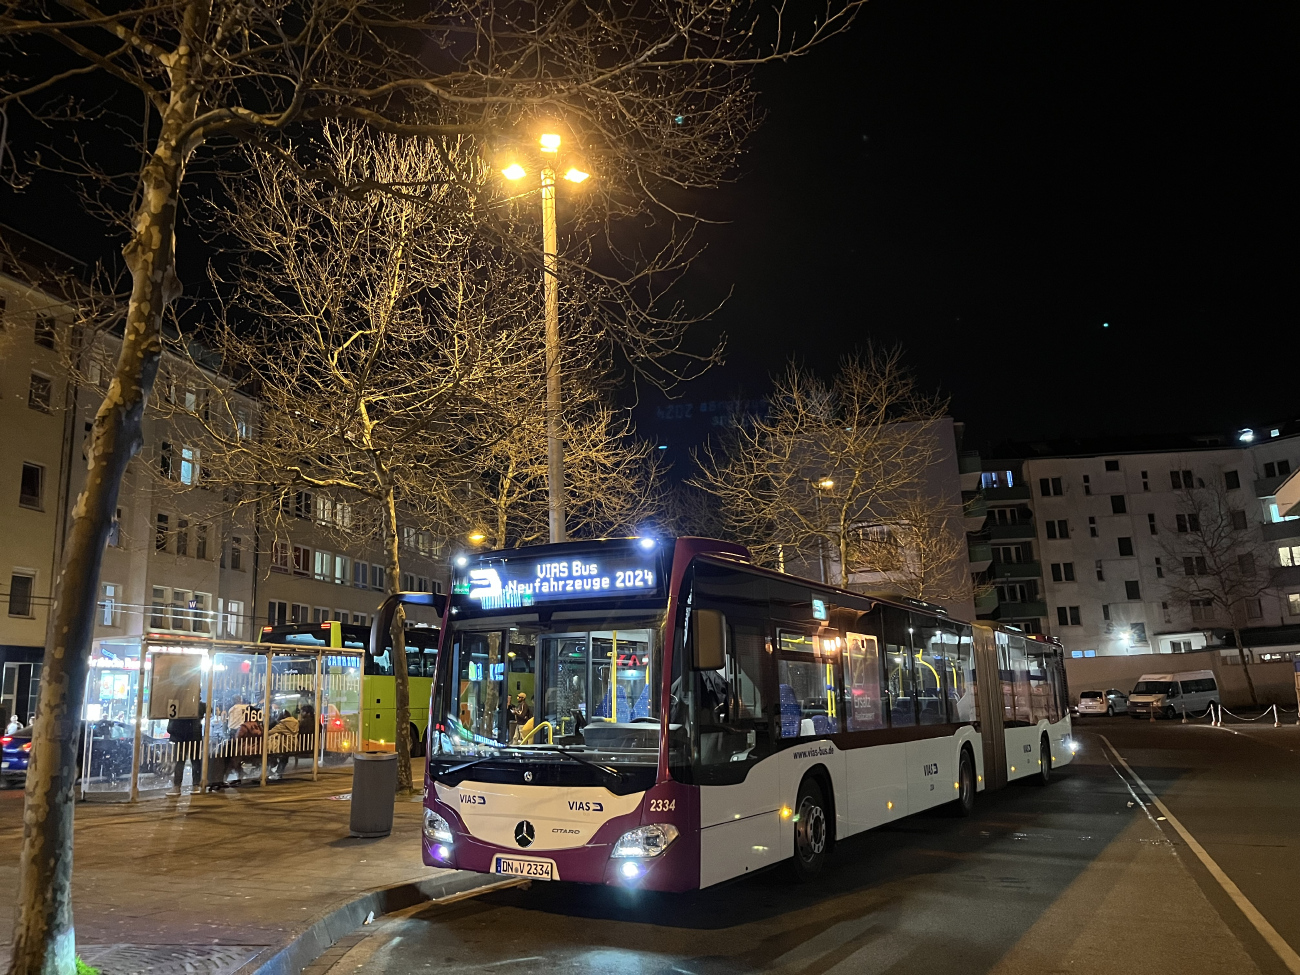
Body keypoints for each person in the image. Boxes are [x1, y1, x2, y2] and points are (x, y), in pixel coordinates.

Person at [166, 701, 206, 795]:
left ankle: (177, 786)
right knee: (195, 760)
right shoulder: (200, 705)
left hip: (180, 737)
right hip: (194, 736)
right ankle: (195, 785)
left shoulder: (178, 702)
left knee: (180, 761)